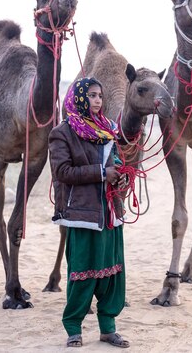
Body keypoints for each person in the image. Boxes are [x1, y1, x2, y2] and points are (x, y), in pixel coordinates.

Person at [48, 77, 130, 349]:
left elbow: (115, 162)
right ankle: (73, 328)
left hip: (109, 213)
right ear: (80, 98)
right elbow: (62, 172)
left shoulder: (108, 130)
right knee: (82, 273)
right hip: (82, 214)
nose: (97, 101)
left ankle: (108, 329)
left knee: (112, 275)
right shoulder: (63, 132)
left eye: (100, 96)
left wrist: (120, 177)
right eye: (92, 95)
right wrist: (101, 174)